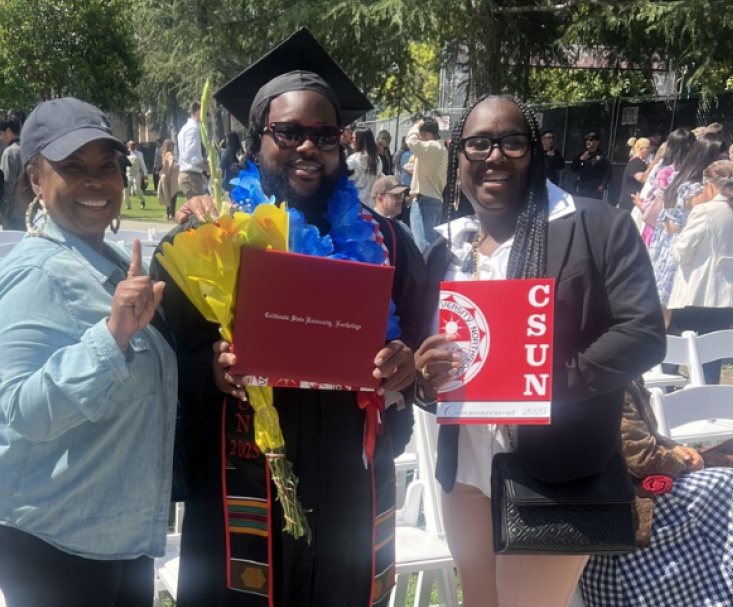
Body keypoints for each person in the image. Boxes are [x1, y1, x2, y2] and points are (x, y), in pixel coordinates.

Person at [151, 27, 428, 607]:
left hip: (348, 483)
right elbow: (158, 360)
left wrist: (408, 368)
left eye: (325, 135)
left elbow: (425, 353)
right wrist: (212, 369)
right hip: (240, 477)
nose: (309, 147)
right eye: (289, 132)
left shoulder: (391, 245)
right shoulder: (211, 239)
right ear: (255, 143)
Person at [413, 95, 665, 607]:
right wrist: (423, 377)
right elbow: (425, 354)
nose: (494, 156)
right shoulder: (445, 248)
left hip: (555, 472)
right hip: (463, 470)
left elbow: (642, 332)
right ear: (458, 154)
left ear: (535, 151)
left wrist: (542, 380)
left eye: (512, 142)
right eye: (478, 143)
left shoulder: (597, 227)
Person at [0, 97, 177, 607]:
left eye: (107, 167)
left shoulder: (109, 258)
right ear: (35, 178)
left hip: (104, 520)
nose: (95, 182)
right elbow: (24, 410)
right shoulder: (34, 274)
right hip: (44, 527)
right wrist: (110, 337)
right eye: (72, 167)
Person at [582, 381, 733, 606]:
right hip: (616, 505)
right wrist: (682, 460)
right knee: (723, 486)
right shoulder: (608, 381)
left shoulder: (617, 375)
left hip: (618, 490)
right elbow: (642, 459)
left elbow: (645, 437)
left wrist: (673, 447)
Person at [667, 160, 733, 384]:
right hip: (727, 298)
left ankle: (665, 397)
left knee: (671, 350)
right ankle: (709, 409)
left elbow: (681, 253)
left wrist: (676, 234)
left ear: (711, 186)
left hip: (698, 295)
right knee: (712, 363)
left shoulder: (705, 211)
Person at [648, 134, 726, 317]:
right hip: (684, 249)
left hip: (667, 247)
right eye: (721, 157)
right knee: (673, 308)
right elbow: (704, 221)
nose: (725, 162)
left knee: (665, 307)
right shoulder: (701, 189)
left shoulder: (680, 179)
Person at [639, 128, 694, 245]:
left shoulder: (662, 169)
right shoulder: (693, 172)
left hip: (658, 227)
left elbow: (649, 200)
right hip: (681, 228)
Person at [406, 118, 448, 252]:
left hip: (424, 199)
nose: (419, 137)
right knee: (431, 244)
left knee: (422, 246)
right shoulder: (443, 149)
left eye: (421, 135)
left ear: (429, 135)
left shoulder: (431, 146)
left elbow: (410, 141)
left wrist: (416, 126)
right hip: (435, 199)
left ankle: (425, 272)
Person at [177, 102, 208, 199]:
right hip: (191, 177)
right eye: (205, 114)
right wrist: (209, 169)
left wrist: (200, 173)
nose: (206, 117)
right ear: (199, 113)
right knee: (196, 212)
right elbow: (191, 157)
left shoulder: (185, 128)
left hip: (191, 175)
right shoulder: (193, 129)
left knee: (195, 211)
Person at [0, 111, 24, 229]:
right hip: (33, 210)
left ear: (8, 131)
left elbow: (7, 185)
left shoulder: (10, 153)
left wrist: (3, 212)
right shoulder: (30, 148)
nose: (0, 137)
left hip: (15, 213)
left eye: (0, 133)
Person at [346, 127, 382, 206]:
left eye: (353, 138)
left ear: (361, 140)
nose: (350, 140)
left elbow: (346, 182)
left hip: (355, 205)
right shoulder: (377, 160)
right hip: (371, 205)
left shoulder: (353, 160)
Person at [570, 132, 611, 200]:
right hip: (582, 188)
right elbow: (573, 169)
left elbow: (608, 172)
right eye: (587, 140)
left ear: (597, 142)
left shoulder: (602, 156)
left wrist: (603, 185)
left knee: (593, 209)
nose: (588, 142)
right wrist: (580, 159)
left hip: (595, 189)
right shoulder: (583, 154)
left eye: (591, 140)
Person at [618, 137, 651, 210]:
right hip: (630, 203)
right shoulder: (636, 162)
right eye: (648, 148)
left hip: (631, 202)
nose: (650, 150)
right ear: (640, 149)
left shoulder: (638, 161)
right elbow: (640, 178)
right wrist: (651, 168)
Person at [157, 140, 180, 221]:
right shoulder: (169, 154)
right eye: (171, 145)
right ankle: (172, 214)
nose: (173, 147)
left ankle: (168, 213)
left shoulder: (164, 154)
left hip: (167, 177)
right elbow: (171, 163)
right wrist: (170, 173)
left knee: (168, 195)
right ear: (167, 146)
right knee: (173, 196)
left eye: (173, 145)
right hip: (172, 177)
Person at [124, 141, 146, 210]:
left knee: (137, 190)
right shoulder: (125, 153)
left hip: (136, 174)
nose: (132, 147)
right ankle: (128, 204)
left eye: (133, 145)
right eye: (131, 145)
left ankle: (142, 200)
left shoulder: (139, 154)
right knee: (126, 191)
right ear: (128, 146)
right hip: (128, 174)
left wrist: (145, 174)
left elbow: (142, 165)